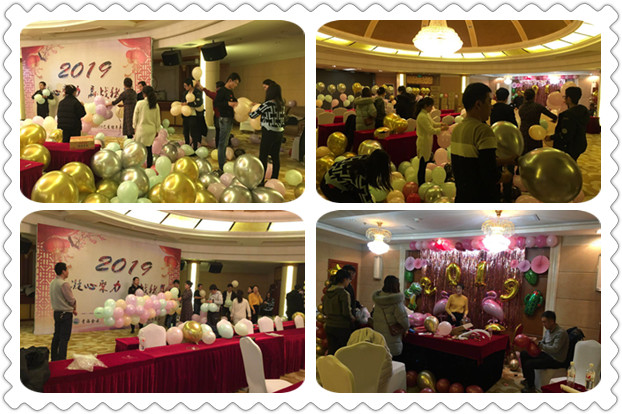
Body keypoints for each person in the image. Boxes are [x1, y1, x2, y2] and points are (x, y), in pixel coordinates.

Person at [451, 82, 513, 203]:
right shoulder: (483, 130)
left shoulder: (457, 129)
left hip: (462, 195)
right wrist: (506, 176)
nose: (491, 107)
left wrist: (506, 160)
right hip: (483, 197)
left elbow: (473, 162)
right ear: (478, 104)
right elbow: (489, 173)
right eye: (489, 102)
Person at [520, 311, 569, 393]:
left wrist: (539, 344)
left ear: (552, 321)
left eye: (544, 322)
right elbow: (543, 343)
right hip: (547, 355)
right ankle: (527, 379)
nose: (543, 324)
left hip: (556, 359)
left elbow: (555, 349)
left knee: (529, 363)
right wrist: (533, 341)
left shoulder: (561, 333)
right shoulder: (548, 331)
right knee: (524, 354)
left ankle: (531, 387)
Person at [320, 149, 393, 203]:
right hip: (329, 186)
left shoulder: (366, 159)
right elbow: (365, 199)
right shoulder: (360, 174)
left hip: (336, 181)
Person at [249, 83, 286, 181]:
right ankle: (274, 178)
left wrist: (250, 110)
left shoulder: (267, 104)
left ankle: (261, 180)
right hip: (279, 133)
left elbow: (253, 115)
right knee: (275, 156)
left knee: (263, 156)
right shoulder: (282, 103)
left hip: (269, 132)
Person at [371, 275, 409, 357]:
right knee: (392, 363)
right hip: (392, 341)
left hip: (379, 340)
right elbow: (405, 323)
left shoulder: (378, 300)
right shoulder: (396, 302)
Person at [414, 97, 448, 185]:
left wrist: (441, 124)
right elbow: (430, 130)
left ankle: (422, 182)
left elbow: (433, 124)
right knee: (422, 164)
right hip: (423, 142)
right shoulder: (422, 116)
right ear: (426, 106)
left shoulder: (426, 114)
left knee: (424, 163)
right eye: (431, 106)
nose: (432, 108)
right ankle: (421, 183)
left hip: (427, 142)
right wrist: (442, 129)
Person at [549, 86, 589, 161]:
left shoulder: (567, 115)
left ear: (569, 99)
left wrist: (551, 137)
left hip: (569, 146)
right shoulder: (584, 111)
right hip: (580, 143)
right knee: (572, 161)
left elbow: (565, 135)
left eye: (565, 97)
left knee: (565, 163)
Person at [322, 269, 355, 355]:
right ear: (345, 279)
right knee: (342, 352)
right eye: (349, 280)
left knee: (332, 350)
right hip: (341, 326)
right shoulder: (344, 294)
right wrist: (353, 318)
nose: (349, 282)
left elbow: (324, 311)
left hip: (329, 325)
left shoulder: (327, 293)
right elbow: (346, 312)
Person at [214, 73, 241, 172]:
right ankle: (221, 166)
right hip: (224, 118)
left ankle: (223, 163)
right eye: (235, 83)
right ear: (230, 80)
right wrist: (228, 103)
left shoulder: (230, 91)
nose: (236, 85)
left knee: (225, 142)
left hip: (229, 119)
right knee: (222, 143)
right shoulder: (222, 91)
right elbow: (216, 103)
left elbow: (234, 100)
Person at [518, 88, 558, 154]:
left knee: (524, 152)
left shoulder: (521, 107)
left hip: (523, 131)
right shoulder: (538, 106)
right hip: (536, 132)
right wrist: (554, 119)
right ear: (534, 97)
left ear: (525, 96)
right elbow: (552, 116)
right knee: (536, 152)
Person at [50, 262, 76, 361]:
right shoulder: (64, 284)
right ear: (63, 271)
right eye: (67, 270)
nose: (68, 272)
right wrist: (74, 307)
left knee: (56, 336)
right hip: (65, 314)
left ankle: (54, 359)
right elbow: (71, 300)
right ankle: (61, 360)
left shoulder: (53, 282)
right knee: (64, 339)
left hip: (57, 313)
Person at [132, 86, 160, 167]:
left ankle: (138, 166)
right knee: (149, 150)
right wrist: (157, 130)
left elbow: (135, 117)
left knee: (139, 150)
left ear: (144, 94)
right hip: (151, 130)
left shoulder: (140, 103)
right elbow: (158, 119)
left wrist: (134, 126)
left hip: (141, 130)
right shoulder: (155, 105)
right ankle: (149, 167)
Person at [196, 80, 224, 148]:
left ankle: (218, 147)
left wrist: (200, 86)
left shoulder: (216, 95)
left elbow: (207, 92)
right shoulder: (225, 95)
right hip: (223, 116)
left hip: (218, 116)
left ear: (218, 88)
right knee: (223, 133)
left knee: (218, 132)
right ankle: (222, 146)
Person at [181, 78, 203, 150]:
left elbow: (199, 103)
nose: (184, 87)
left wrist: (188, 104)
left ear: (190, 85)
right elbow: (182, 101)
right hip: (185, 114)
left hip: (194, 115)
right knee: (185, 131)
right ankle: (187, 145)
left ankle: (195, 147)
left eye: (185, 86)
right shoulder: (185, 93)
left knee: (194, 132)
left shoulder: (197, 92)